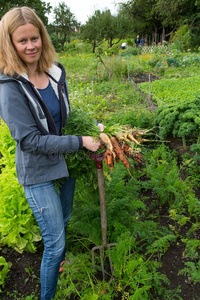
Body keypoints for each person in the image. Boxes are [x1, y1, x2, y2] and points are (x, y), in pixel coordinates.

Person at [0, 6, 104, 300]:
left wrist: (91, 126)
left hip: (64, 165)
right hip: (39, 173)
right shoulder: (9, 86)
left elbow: (64, 115)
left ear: (42, 37)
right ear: (10, 44)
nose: (31, 46)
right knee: (55, 243)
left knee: (66, 218)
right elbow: (30, 140)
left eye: (35, 38)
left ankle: (57, 266)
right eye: (22, 41)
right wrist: (80, 142)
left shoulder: (56, 71)